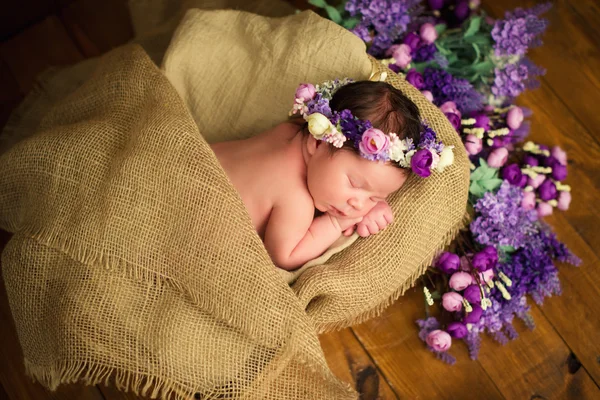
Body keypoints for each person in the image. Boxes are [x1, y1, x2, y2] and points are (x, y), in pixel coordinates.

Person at [210, 79, 453, 270]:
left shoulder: (288, 130)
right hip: (205, 216)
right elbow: (284, 256)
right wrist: (337, 222)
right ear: (317, 143)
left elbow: (366, 177)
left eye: (376, 197)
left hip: (204, 157)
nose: (358, 204)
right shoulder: (295, 199)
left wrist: (374, 201)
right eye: (354, 183)